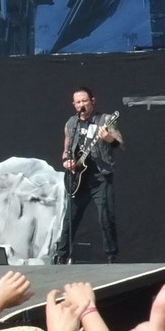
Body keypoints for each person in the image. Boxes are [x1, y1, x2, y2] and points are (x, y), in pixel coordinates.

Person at [55, 86, 122, 263]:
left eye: (84, 101)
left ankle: (112, 256)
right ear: (74, 104)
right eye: (78, 102)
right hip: (78, 178)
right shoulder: (72, 123)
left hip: (100, 177)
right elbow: (66, 149)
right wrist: (66, 161)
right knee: (70, 219)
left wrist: (109, 139)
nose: (81, 105)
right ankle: (62, 256)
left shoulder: (105, 120)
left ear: (92, 101)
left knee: (105, 217)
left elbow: (120, 144)